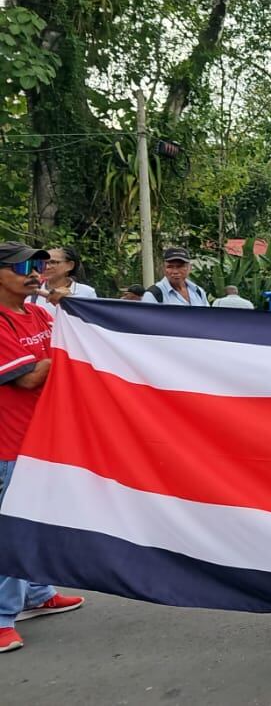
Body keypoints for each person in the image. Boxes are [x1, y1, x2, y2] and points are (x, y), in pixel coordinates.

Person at [0, 242, 85, 653]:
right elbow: (29, 378)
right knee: (12, 528)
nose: (35, 272)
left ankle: (37, 593)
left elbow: (61, 358)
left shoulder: (36, 312)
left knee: (34, 519)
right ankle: (1, 617)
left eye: (38, 264)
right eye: (23, 266)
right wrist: (67, 352)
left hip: (40, 439)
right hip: (8, 444)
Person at [27, 246, 97, 318]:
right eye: (43, 263)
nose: (46, 267)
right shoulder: (31, 291)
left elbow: (92, 322)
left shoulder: (86, 293)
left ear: (70, 265)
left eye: (53, 262)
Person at [141, 248, 210, 306]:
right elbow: (147, 321)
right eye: (170, 267)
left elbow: (207, 318)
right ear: (163, 269)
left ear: (190, 268)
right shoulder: (153, 295)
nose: (175, 271)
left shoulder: (198, 292)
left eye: (180, 266)